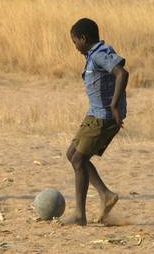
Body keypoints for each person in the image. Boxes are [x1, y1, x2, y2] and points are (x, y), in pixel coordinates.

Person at [60, 18, 129, 226]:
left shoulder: (100, 54)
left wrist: (115, 106)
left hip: (104, 118)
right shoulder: (93, 54)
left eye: (75, 42)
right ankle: (106, 194)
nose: (75, 47)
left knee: (79, 160)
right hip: (94, 114)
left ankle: (80, 216)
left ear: (84, 38)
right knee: (72, 154)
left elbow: (122, 73)